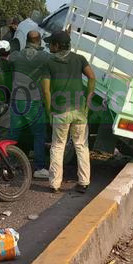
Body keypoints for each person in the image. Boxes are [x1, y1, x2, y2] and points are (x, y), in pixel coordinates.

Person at [41, 31, 95, 193]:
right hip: (79, 110)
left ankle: (55, 184)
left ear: (57, 46)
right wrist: (88, 100)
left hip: (60, 111)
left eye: (51, 43)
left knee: (58, 146)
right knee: (81, 145)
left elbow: (46, 91)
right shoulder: (79, 59)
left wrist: (50, 111)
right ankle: (84, 182)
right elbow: (92, 77)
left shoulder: (49, 64)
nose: (49, 45)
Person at [8, 30, 51, 179]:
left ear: (26, 40)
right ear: (39, 41)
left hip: (17, 99)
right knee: (39, 134)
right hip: (34, 100)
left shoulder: (16, 56)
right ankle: (39, 168)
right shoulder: (44, 57)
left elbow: (8, 59)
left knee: (13, 133)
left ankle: (7, 164)